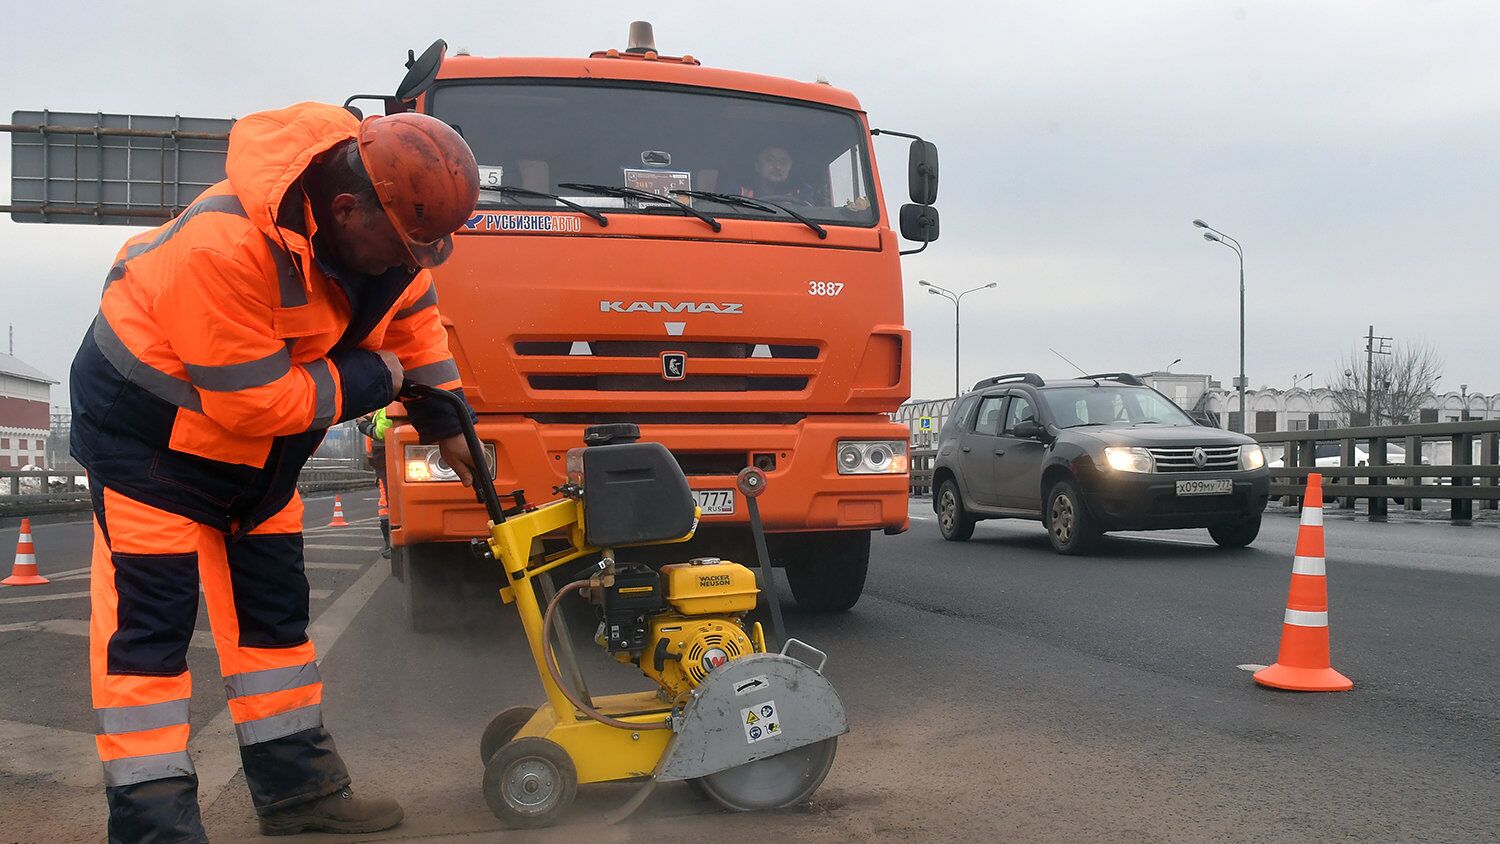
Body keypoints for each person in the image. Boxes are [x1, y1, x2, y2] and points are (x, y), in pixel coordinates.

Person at [69, 101, 481, 842]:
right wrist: (380, 378)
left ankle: (301, 797)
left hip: (260, 468)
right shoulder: (223, 247)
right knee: (149, 647)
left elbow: (416, 320)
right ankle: (154, 828)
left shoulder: (377, 244)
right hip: (152, 456)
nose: (408, 264)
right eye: (402, 246)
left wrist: (446, 418)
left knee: (274, 630)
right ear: (346, 208)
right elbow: (254, 403)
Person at [356, 407, 393, 557]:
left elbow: (382, 432)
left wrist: (364, 426)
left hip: (385, 458)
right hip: (381, 462)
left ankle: (391, 542)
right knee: (387, 501)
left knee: (388, 501)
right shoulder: (381, 408)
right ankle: (390, 542)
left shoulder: (388, 406)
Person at [736, 144, 825, 204]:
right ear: (757, 166)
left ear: (790, 168)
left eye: (783, 162)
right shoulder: (739, 193)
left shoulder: (803, 195)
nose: (778, 167)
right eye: (770, 160)